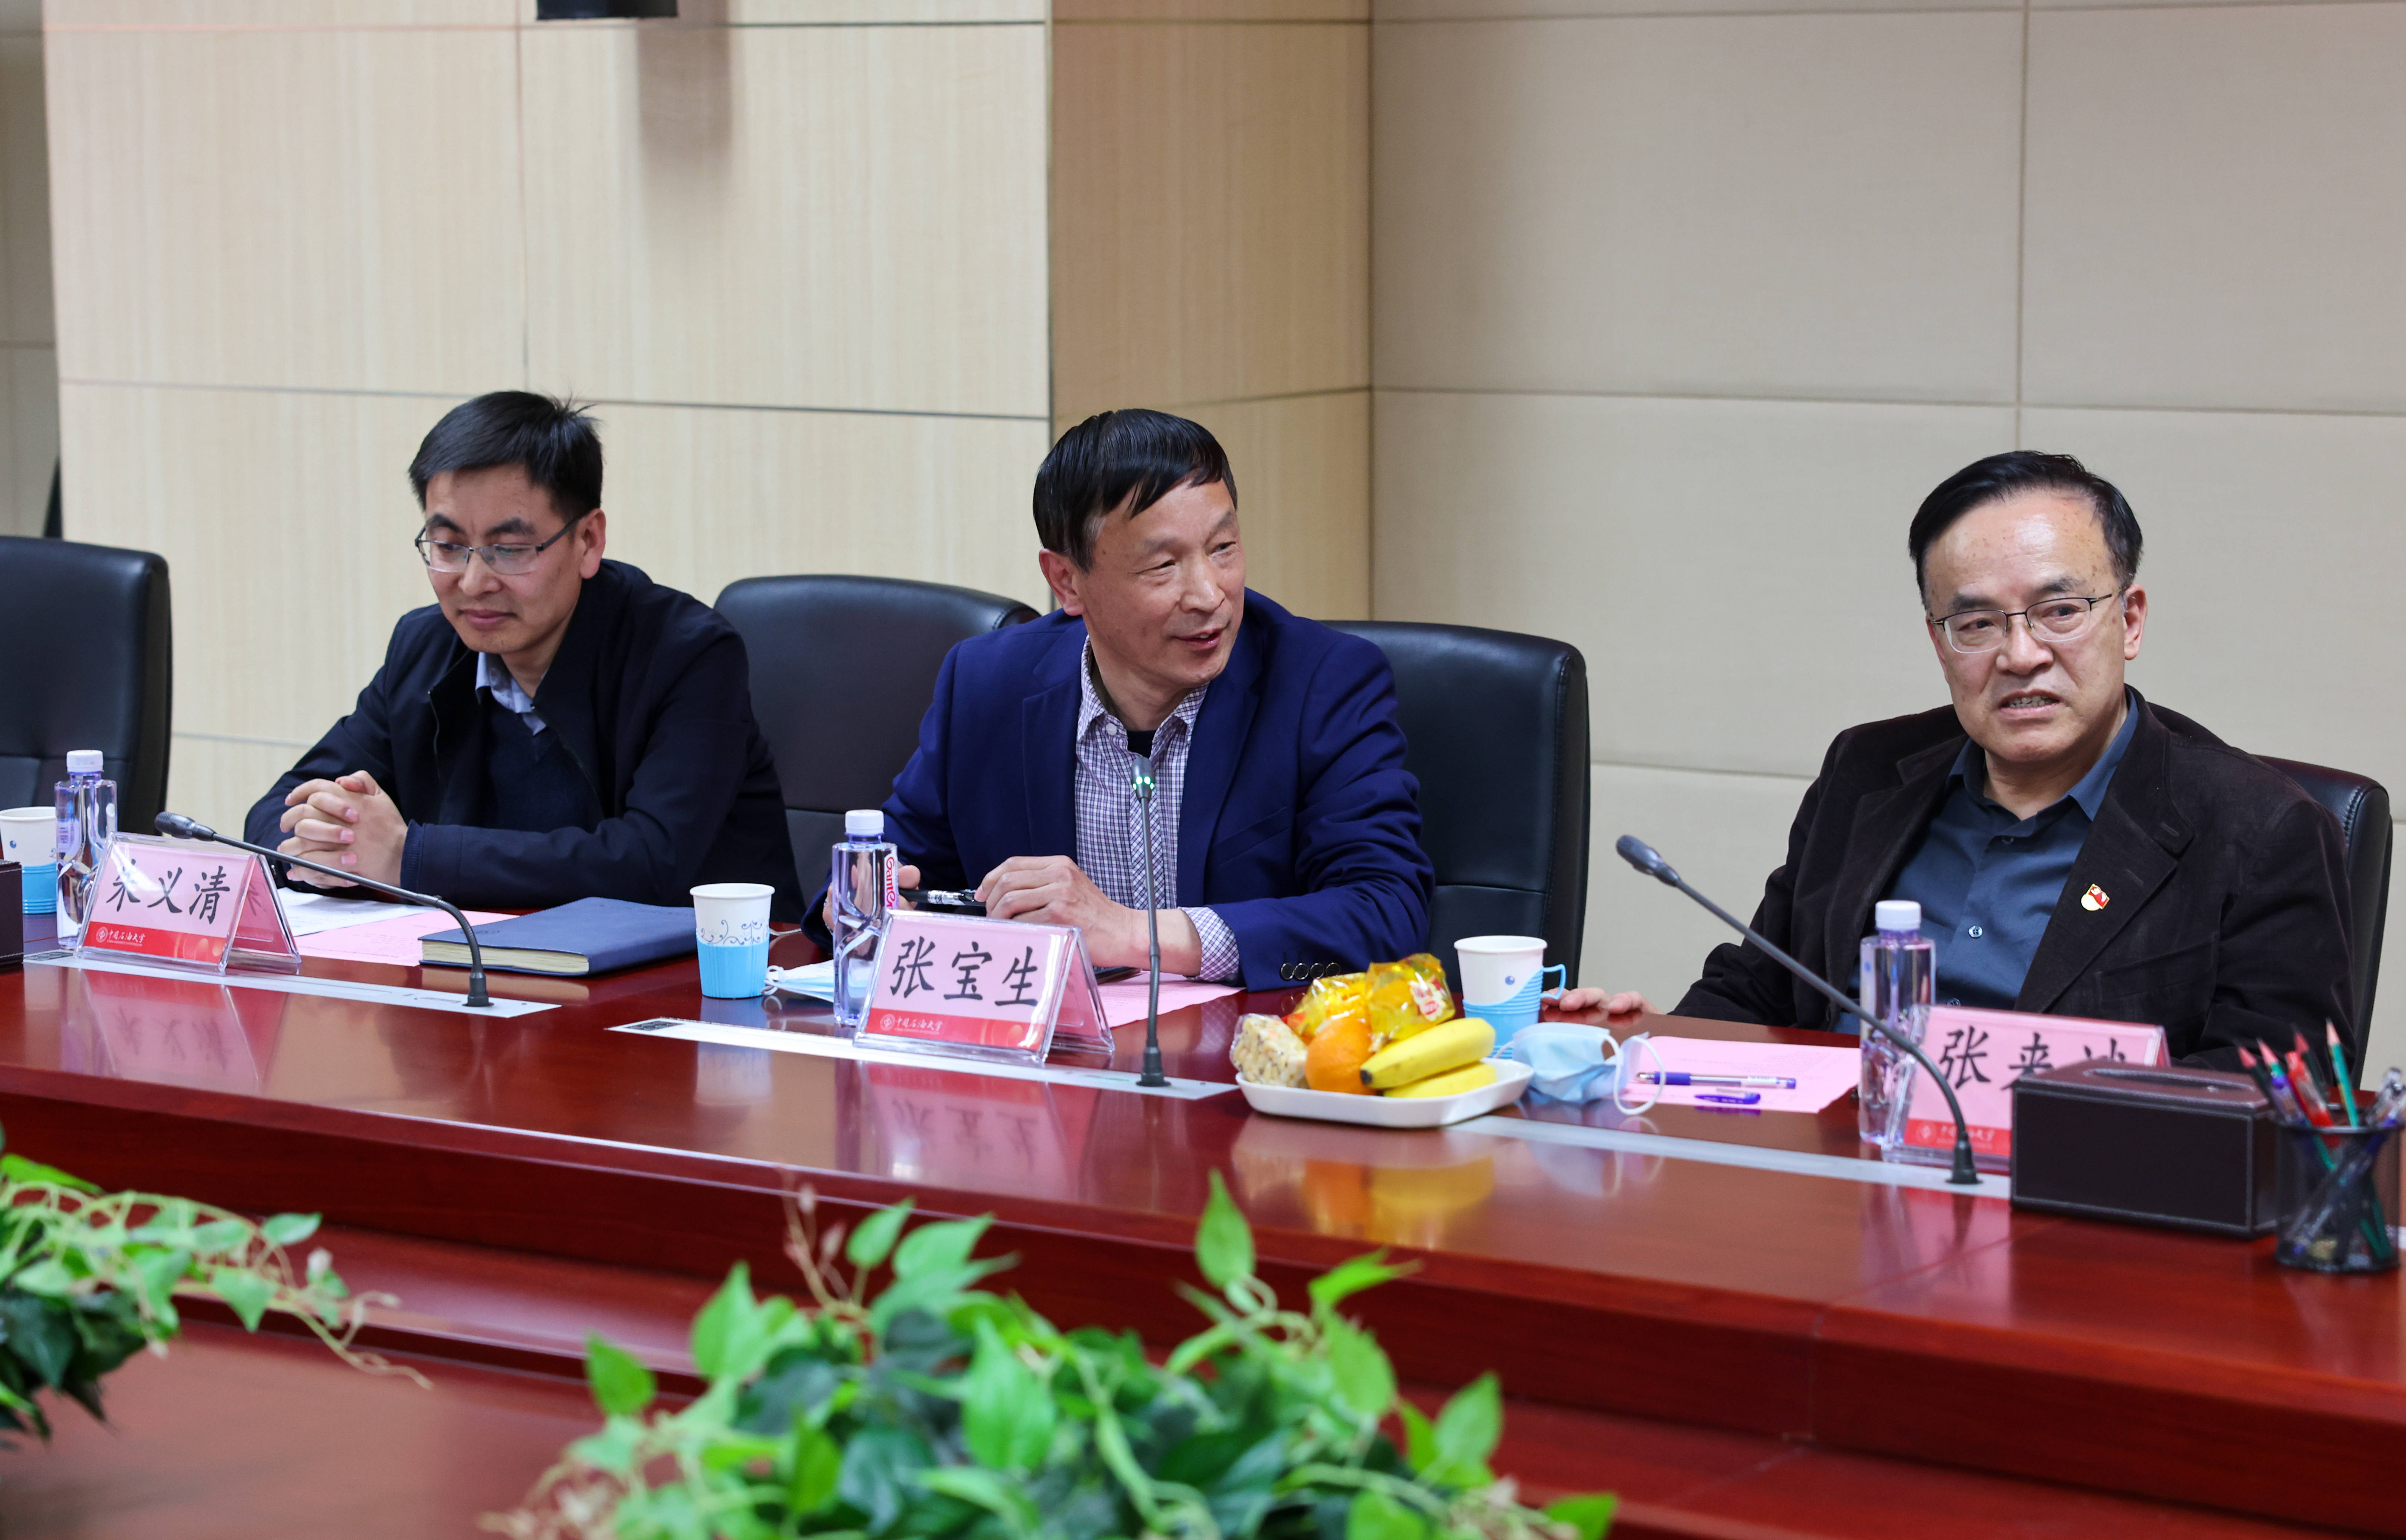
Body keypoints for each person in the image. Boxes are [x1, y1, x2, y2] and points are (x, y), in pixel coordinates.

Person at [1554, 452, 2352, 1067]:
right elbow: (1763, 987)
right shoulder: (1868, 769)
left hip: (2074, 1203)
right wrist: (1640, 1048)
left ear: (2131, 620)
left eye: (2059, 611)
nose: (2020, 654)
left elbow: (2278, 1088)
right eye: (1975, 624)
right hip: (1835, 1186)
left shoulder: (2259, 830)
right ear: (1938, 642)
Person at [819, 408, 1433, 987]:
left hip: (1242, 1053)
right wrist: (865, 900)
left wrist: (1135, 934)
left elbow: (1386, 911)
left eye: (1223, 549)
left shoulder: (1321, 682)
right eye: (1163, 565)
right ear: (1067, 581)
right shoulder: (989, 683)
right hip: (1050, 1052)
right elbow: (884, 869)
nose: (1209, 595)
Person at [245, 391, 803, 917]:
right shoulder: (425, 647)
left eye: (509, 550)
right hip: (475, 969)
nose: (473, 582)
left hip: (694, 975)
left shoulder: (688, 655)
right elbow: (276, 813)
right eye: (448, 547)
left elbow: (648, 864)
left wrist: (405, 857)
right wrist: (329, 843)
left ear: (588, 541)